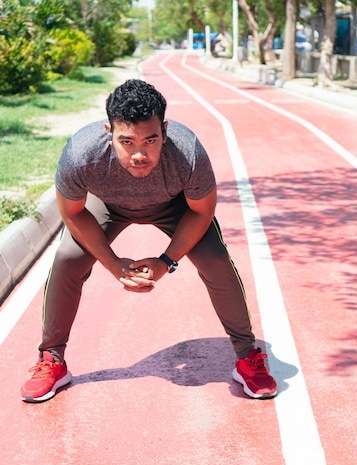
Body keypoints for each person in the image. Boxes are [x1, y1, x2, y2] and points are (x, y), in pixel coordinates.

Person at [20, 79, 277, 402]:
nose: (139, 154)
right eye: (126, 141)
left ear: (165, 131)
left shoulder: (188, 152)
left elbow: (202, 212)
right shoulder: (80, 153)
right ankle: (52, 359)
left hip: (175, 206)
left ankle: (246, 356)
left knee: (214, 258)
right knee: (69, 257)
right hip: (108, 206)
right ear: (108, 131)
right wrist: (112, 264)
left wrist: (166, 261)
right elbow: (72, 212)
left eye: (151, 140)